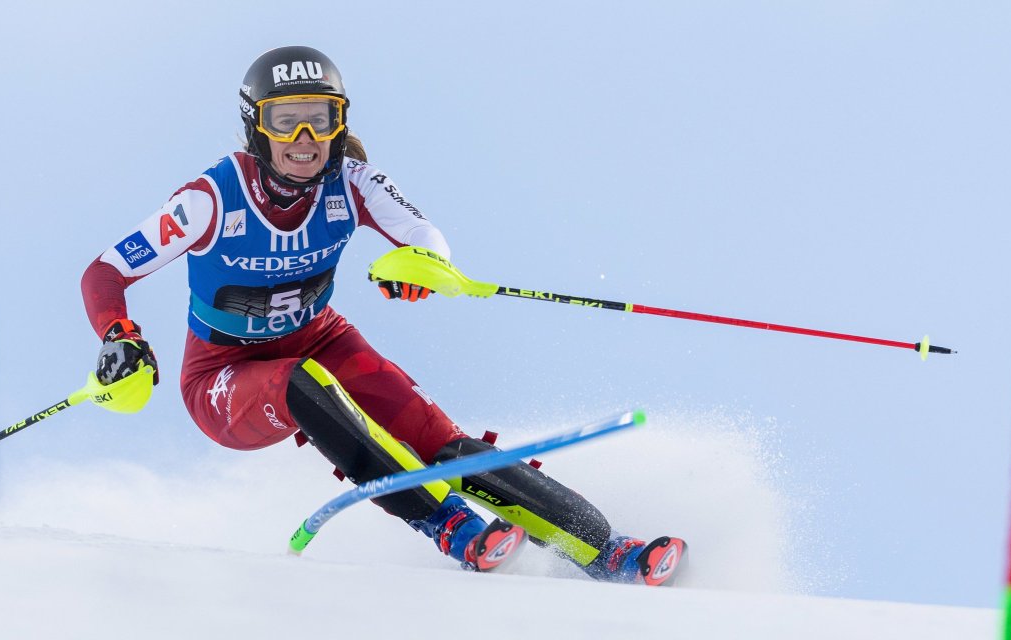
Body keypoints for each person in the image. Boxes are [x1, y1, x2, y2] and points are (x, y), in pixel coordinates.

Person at [81, 45, 686, 584]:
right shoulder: (210, 199)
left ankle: (606, 551)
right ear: (255, 127)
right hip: (222, 375)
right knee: (304, 383)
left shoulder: (352, 180)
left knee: (437, 439)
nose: (303, 140)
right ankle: (447, 523)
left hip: (320, 338)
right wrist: (119, 335)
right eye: (284, 122)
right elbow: (105, 272)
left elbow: (425, 237)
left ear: (338, 123)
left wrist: (418, 266)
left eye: (319, 120)